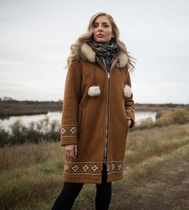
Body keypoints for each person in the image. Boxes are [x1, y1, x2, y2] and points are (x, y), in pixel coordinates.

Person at [52, 12, 135, 210]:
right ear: (91, 31)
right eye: (95, 25)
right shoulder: (79, 60)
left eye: (105, 25)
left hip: (113, 139)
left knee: (106, 186)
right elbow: (70, 101)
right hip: (85, 137)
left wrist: (128, 118)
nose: (99, 28)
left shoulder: (121, 64)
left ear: (113, 32)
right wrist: (69, 138)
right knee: (71, 188)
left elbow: (129, 98)